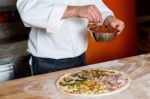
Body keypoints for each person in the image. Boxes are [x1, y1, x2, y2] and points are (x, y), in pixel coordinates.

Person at [17, 0, 124, 75]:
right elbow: (27, 11)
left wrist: (109, 19)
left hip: (80, 59)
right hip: (47, 63)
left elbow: (97, 6)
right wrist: (74, 10)